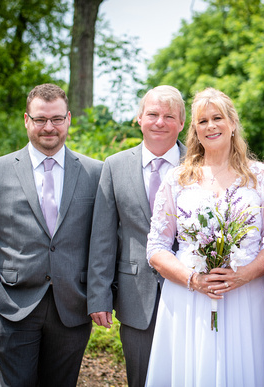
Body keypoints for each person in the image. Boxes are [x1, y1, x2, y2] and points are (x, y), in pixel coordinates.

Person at [0, 83, 103, 387]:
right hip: (12, 304)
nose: (48, 127)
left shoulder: (96, 173)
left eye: (56, 119)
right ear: (27, 120)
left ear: (68, 119)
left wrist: (99, 294)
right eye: (40, 119)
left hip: (72, 307)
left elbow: (104, 242)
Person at [144, 87, 264, 386]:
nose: (211, 126)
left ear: (232, 124)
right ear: (194, 130)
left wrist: (242, 275)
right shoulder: (178, 179)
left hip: (247, 296)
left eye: (217, 118)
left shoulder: (262, 177)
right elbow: (157, 246)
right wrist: (193, 279)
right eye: (202, 121)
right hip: (188, 297)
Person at [87, 85, 186, 387]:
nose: (160, 122)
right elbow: (102, 237)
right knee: (140, 378)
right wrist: (98, 295)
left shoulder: (199, 164)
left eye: (169, 116)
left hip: (189, 291)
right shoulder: (115, 166)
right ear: (139, 118)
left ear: (182, 123)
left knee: (190, 374)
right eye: (152, 114)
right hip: (134, 293)